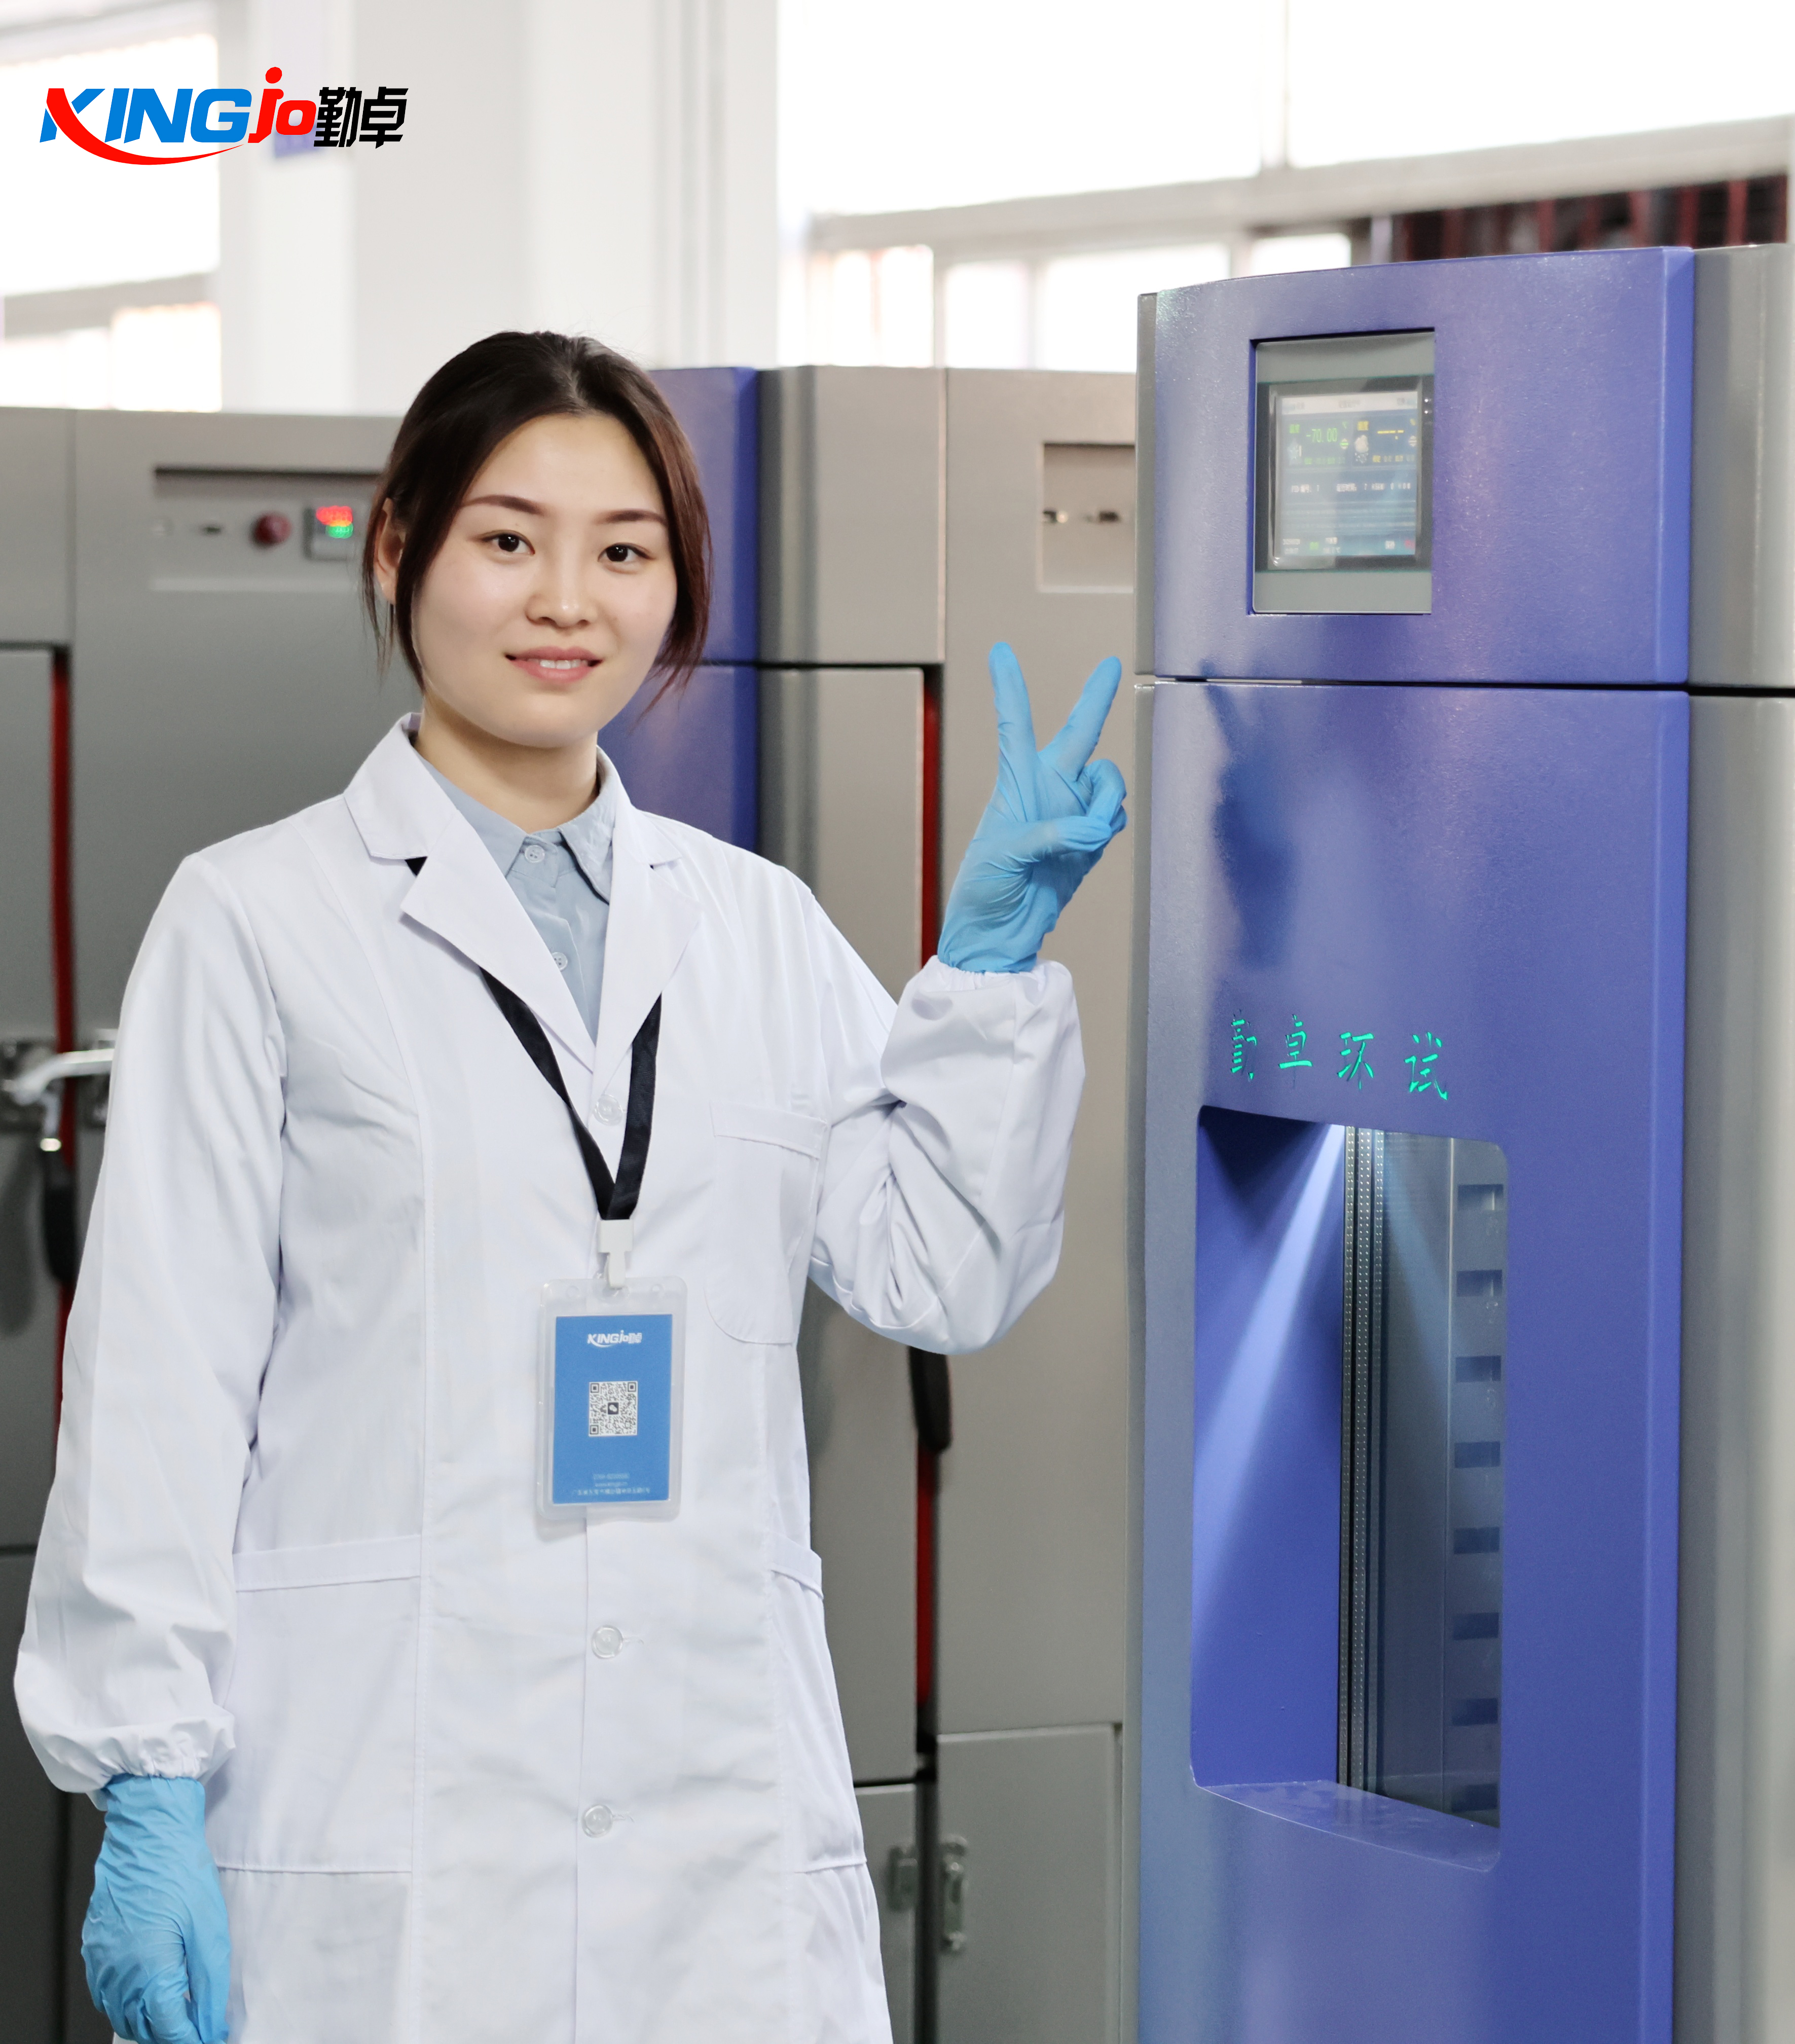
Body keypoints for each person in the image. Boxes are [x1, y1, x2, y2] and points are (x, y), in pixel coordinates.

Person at [14, 331, 1125, 2043]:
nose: (566, 601)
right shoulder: (257, 922)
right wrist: (146, 1778)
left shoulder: (751, 925)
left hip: (712, 1820)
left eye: (624, 551)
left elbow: (938, 1273)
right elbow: (161, 1381)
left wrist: (984, 975)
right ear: (402, 549)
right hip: (391, 1810)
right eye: (508, 539)